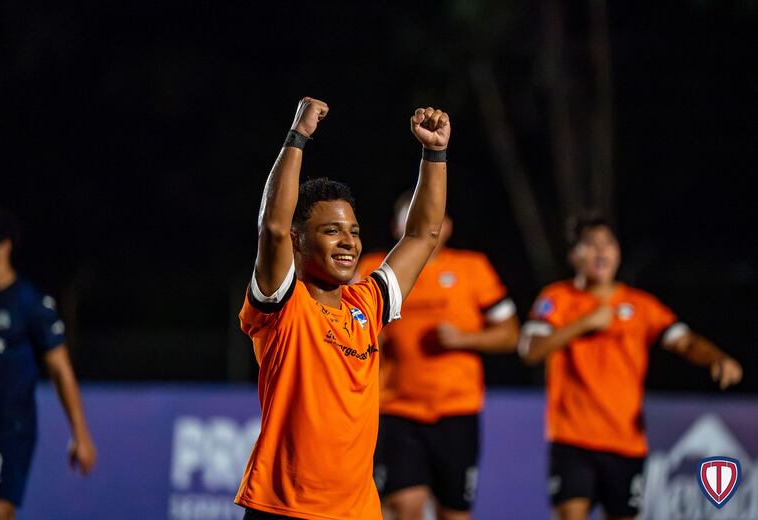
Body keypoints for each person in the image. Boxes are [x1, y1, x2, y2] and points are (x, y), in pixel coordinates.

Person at [236, 97, 450, 520]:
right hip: (283, 509)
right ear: (300, 242)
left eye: (353, 231)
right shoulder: (283, 306)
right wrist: (297, 138)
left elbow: (424, 234)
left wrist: (435, 153)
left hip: (356, 512)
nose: (349, 242)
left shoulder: (367, 304)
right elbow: (273, 227)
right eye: (331, 231)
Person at [518, 212, 743, 520]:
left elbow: (684, 340)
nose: (601, 251)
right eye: (591, 245)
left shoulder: (641, 306)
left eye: (608, 244)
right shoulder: (557, 299)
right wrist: (584, 323)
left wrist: (716, 358)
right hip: (572, 438)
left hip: (625, 441)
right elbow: (529, 350)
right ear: (574, 255)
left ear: (618, 253)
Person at [358, 194, 519, 520]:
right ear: (396, 226)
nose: (421, 224)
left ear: (446, 227)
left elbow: (511, 335)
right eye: (410, 217)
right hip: (397, 409)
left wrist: (465, 339)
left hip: (456, 411)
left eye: (430, 218)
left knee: (454, 513)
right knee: (405, 507)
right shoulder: (371, 269)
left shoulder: (473, 268)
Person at [0, 206, 97, 520]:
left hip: (8, 427)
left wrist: (80, 434)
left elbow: (60, 369)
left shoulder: (29, 304)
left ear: (4, 247)